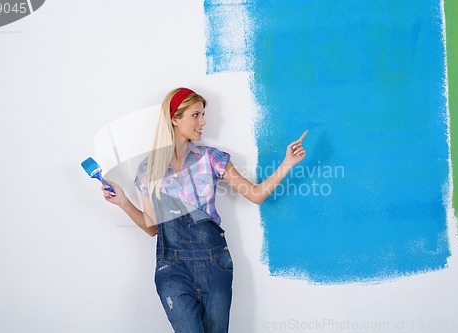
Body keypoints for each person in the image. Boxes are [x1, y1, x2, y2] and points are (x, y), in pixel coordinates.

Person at [101, 87, 307, 333]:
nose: (203, 122)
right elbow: (152, 227)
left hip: (214, 264)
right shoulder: (148, 170)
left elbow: (256, 194)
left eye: (203, 114)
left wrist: (287, 163)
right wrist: (123, 201)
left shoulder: (211, 158)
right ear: (175, 119)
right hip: (172, 268)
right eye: (196, 115)